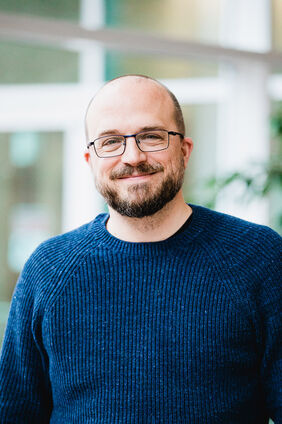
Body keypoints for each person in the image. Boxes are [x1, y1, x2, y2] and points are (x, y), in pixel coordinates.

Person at [0, 74, 281, 424]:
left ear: (184, 150)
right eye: (111, 141)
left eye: (151, 136)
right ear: (90, 160)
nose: (132, 156)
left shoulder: (259, 257)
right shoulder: (49, 269)